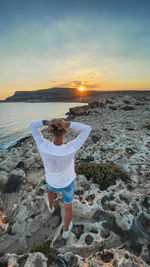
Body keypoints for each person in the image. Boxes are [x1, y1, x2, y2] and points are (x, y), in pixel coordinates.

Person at [30, 118, 91, 238]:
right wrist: (68, 124)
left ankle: (51, 206)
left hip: (52, 182)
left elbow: (33, 125)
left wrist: (47, 123)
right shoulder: (70, 148)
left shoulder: (43, 146)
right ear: (65, 132)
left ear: (50, 132)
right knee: (68, 208)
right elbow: (87, 129)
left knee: (50, 190)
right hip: (68, 183)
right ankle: (66, 230)